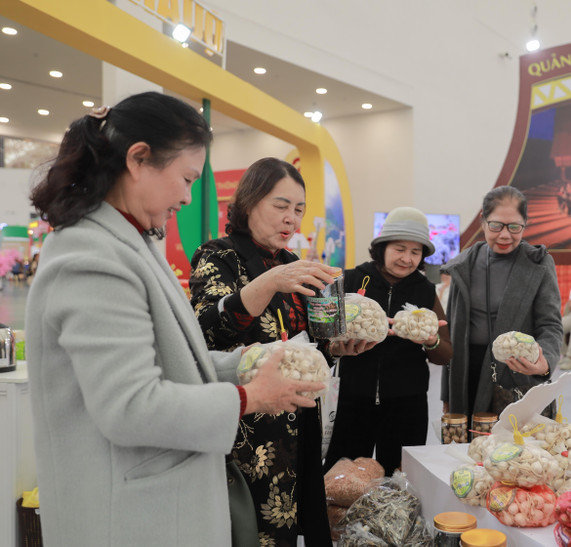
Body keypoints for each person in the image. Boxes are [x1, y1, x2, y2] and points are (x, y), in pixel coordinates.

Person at [25, 92, 325, 547]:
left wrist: (248, 360)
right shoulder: (90, 255)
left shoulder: (132, 242)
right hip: (124, 517)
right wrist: (248, 397)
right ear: (138, 159)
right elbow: (130, 406)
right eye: (186, 179)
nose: (187, 198)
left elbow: (172, 357)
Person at [189, 157, 338, 546]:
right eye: (281, 205)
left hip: (298, 423)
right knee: (247, 531)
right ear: (250, 201)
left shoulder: (291, 263)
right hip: (247, 432)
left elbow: (310, 346)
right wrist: (268, 282)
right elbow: (205, 331)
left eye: (299, 209)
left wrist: (340, 347)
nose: (292, 219)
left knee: (291, 528)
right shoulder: (217, 256)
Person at [321, 207, 452, 475]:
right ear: (382, 247)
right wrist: (336, 347)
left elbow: (445, 354)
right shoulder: (352, 279)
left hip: (407, 404)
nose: (407, 258)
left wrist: (431, 341)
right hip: (353, 398)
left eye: (415, 252)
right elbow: (322, 333)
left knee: (401, 481)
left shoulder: (425, 290)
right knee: (341, 477)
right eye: (400, 249)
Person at [441, 186, 562, 418]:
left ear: (525, 223)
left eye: (515, 227)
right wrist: (447, 393)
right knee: (469, 449)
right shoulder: (463, 266)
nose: (505, 235)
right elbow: (452, 331)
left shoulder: (538, 265)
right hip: (468, 374)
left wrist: (544, 361)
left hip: (517, 375)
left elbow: (551, 325)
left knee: (517, 449)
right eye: (496, 225)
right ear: (483, 221)